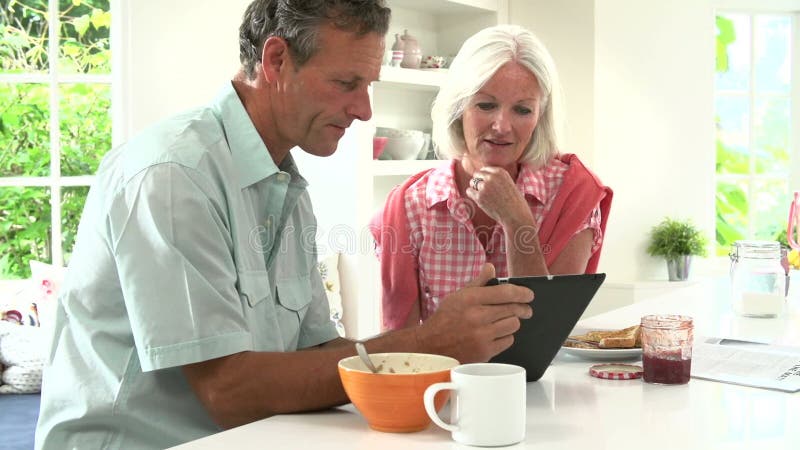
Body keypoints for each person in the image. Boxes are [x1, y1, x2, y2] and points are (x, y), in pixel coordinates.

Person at [34, 2, 534, 449]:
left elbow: (318, 354)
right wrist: (428, 342)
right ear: (276, 61)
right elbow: (227, 391)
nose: (363, 110)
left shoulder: (284, 187)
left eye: (368, 86)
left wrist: (440, 351)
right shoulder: (172, 175)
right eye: (346, 83)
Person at [371, 24, 612, 331]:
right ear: (459, 107)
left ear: (540, 116)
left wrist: (517, 222)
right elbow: (401, 350)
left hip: (540, 380)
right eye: (486, 105)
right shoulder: (409, 206)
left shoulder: (572, 194)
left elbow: (548, 331)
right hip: (445, 379)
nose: (502, 126)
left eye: (522, 110)